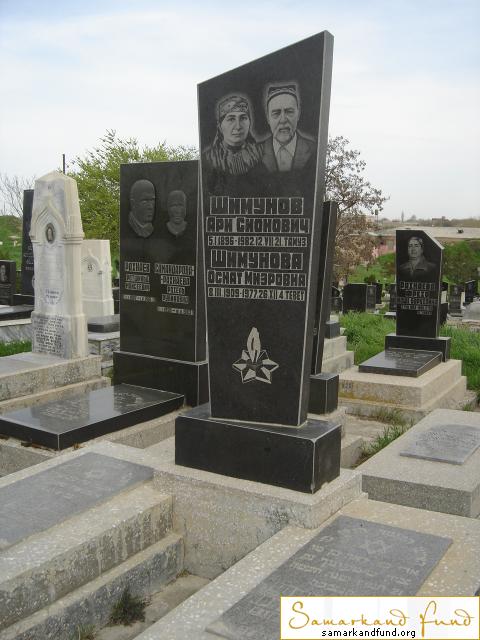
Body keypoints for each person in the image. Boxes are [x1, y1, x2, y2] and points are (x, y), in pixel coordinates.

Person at [260, 83, 316, 173]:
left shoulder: (315, 150)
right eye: (276, 113)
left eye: (289, 112)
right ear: (268, 118)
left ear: (298, 114)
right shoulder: (254, 154)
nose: (283, 120)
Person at [203, 95, 262, 176]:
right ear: (220, 126)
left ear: (250, 122)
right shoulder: (209, 158)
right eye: (231, 119)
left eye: (243, 118)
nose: (238, 126)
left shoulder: (261, 152)